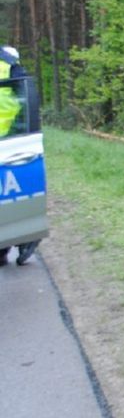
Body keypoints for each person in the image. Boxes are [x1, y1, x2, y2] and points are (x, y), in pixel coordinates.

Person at [0, 45, 38, 266]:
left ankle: (20, 236)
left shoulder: (7, 64)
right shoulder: (8, 63)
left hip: (7, 142)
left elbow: (26, 97)